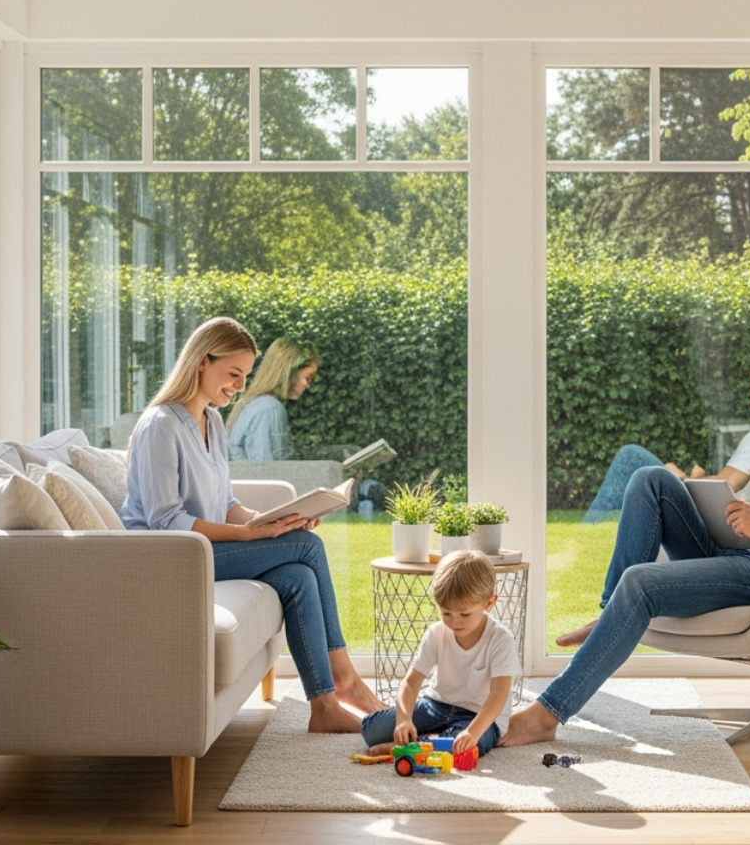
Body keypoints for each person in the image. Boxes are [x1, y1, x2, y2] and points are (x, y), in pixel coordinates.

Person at [501, 351, 750, 747]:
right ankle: (613, 613)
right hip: (745, 554)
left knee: (640, 584)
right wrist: (728, 512)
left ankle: (547, 714)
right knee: (651, 479)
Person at [120, 318, 383, 733]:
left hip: (201, 551)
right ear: (203, 362)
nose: (240, 386)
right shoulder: (160, 425)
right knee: (308, 547)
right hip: (167, 559)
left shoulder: (212, 421)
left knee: (296, 572)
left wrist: (269, 520)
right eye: (234, 374)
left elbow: (225, 504)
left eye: (245, 375)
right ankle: (345, 680)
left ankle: (324, 705)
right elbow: (165, 520)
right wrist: (248, 535)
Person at [580, 374, 750, 524]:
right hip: (737, 512)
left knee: (630, 456)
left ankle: (588, 529)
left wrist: (683, 478)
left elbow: (727, 485)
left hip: (713, 516)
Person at [362, 550, 521, 759]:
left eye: (464, 614)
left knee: (465, 746)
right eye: (446, 613)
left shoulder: (500, 639)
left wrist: (472, 732)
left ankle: (412, 746)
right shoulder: (437, 633)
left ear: (488, 603)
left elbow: (498, 695)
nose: (455, 621)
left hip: (478, 716)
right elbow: (411, 682)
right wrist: (404, 719)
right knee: (371, 729)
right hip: (436, 706)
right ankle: (426, 741)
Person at [227, 338, 319, 461]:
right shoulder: (269, 408)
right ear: (289, 372)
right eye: (308, 377)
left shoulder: (253, 404)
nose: (308, 385)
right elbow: (270, 470)